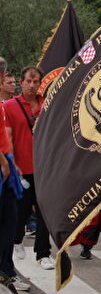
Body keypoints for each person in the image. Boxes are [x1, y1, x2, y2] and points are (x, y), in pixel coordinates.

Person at [4, 67, 53, 269]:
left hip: (44, 169)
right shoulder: (9, 106)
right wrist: (13, 163)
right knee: (22, 211)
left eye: (36, 82)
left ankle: (43, 253)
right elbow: (8, 137)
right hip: (22, 168)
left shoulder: (48, 105)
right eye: (28, 81)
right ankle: (16, 239)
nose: (32, 85)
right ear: (22, 83)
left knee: (44, 212)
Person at [0, 57, 28, 293]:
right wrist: (5, 162)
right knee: (7, 224)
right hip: (3, 167)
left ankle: (6, 270)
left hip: (7, 165)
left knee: (8, 222)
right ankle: (5, 272)